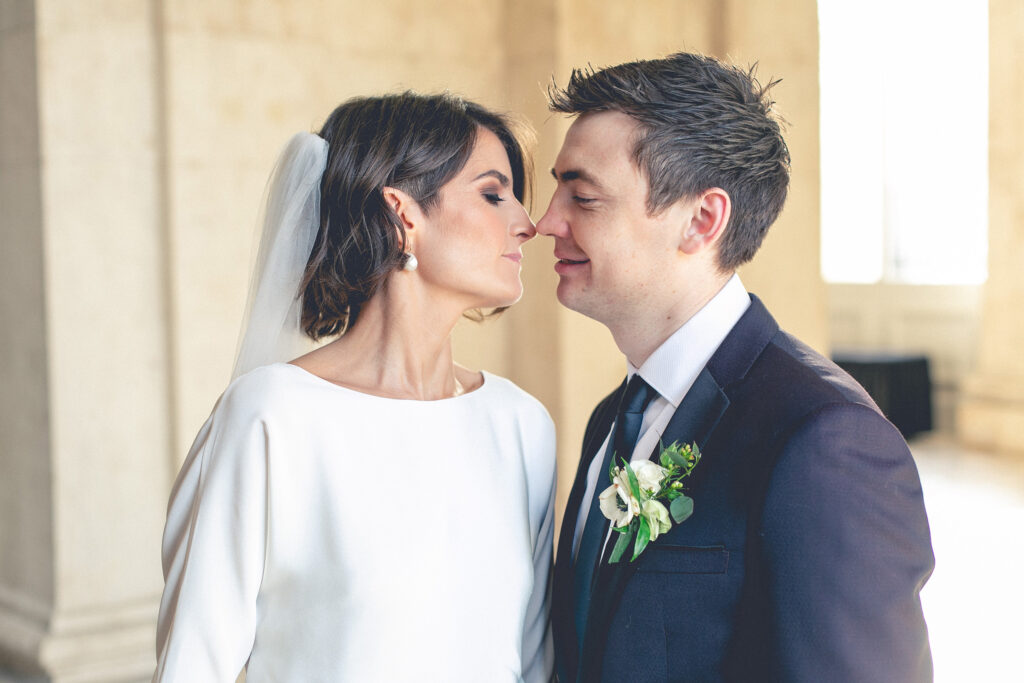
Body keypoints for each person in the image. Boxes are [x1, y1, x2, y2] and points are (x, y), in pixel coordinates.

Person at [538, 53, 934, 682]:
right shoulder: (610, 419)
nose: (545, 221)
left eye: (582, 196)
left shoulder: (826, 440)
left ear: (702, 220)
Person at [152, 92, 556, 682]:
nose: (527, 224)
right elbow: (195, 666)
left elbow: (534, 662)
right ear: (402, 214)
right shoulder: (271, 417)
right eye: (493, 194)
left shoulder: (520, 424)